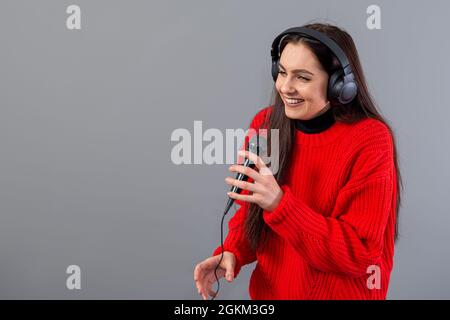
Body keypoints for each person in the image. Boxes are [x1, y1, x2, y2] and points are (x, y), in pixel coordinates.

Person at [194, 22, 402, 300]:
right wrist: (231, 252)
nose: (285, 87)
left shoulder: (370, 139)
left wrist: (281, 205)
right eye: (281, 73)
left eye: (302, 77)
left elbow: (359, 253)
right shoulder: (266, 125)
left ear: (340, 84)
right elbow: (249, 213)